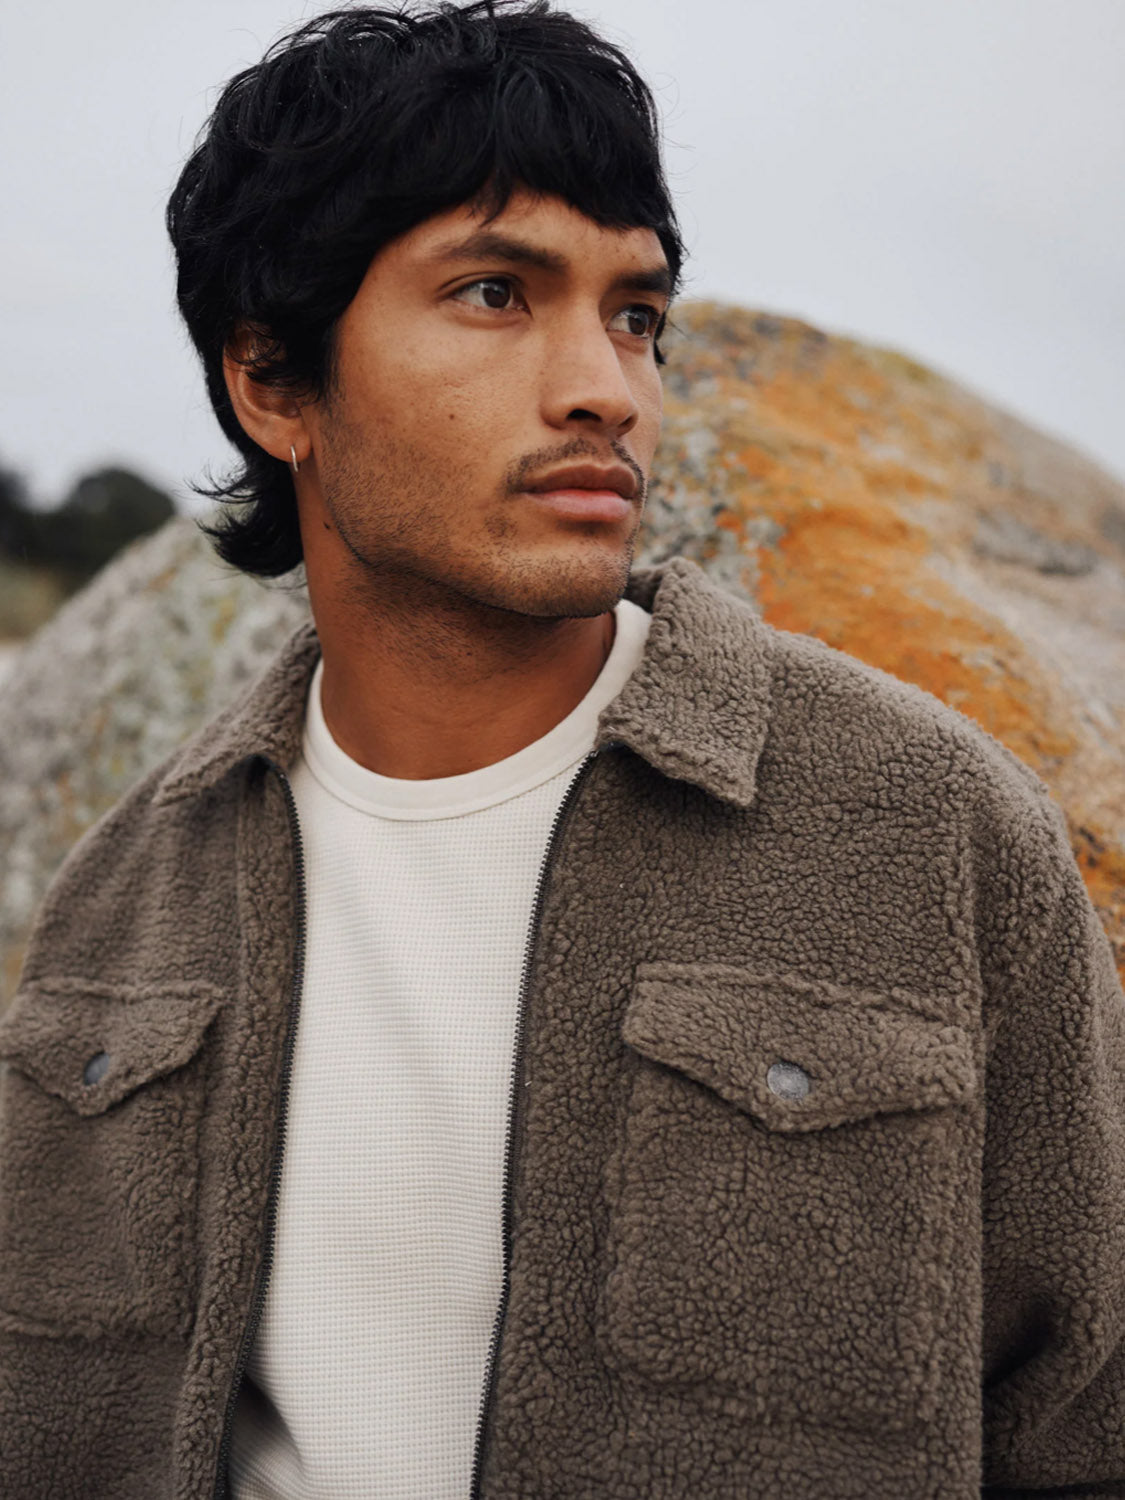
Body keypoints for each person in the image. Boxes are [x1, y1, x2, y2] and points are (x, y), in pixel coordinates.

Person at [1, 2, 1123, 1496]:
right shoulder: (119, 902)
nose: (608, 384)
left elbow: (1087, 1434)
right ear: (272, 381)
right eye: (492, 291)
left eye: (635, 313)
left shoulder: (933, 831)